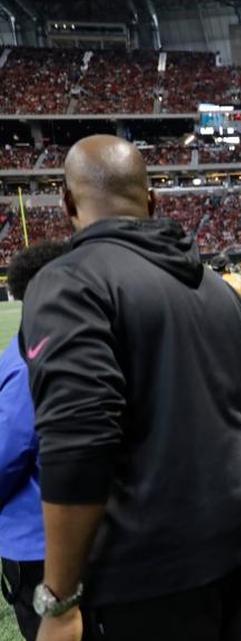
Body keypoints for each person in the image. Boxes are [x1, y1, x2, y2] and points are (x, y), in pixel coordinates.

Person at [19, 135, 241, 641]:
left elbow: (79, 442)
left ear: (67, 204)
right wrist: (234, 500)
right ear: (152, 200)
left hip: (145, 571)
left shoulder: (68, 283)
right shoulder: (216, 287)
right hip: (240, 538)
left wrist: (60, 599)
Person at [1, 241, 69, 641]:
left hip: (40, 542)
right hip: (68, 536)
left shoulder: (26, 359)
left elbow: (5, 456)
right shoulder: (79, 345)